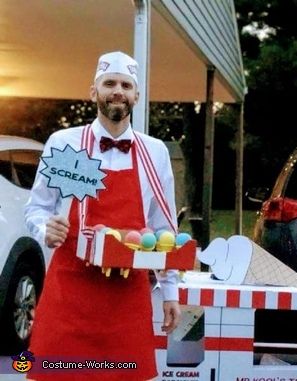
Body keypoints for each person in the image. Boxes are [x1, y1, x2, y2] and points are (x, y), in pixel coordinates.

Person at [24, 51, 181, 380]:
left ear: (136, 95)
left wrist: (170, 293)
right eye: (109, 83)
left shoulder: (154, 152)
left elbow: (165, 227)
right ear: (93, 91)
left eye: (126, 84)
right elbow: (37, 208)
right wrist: (44, 229)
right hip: (70, 292)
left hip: (127, 298)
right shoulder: (65, 144)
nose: (118, 91)